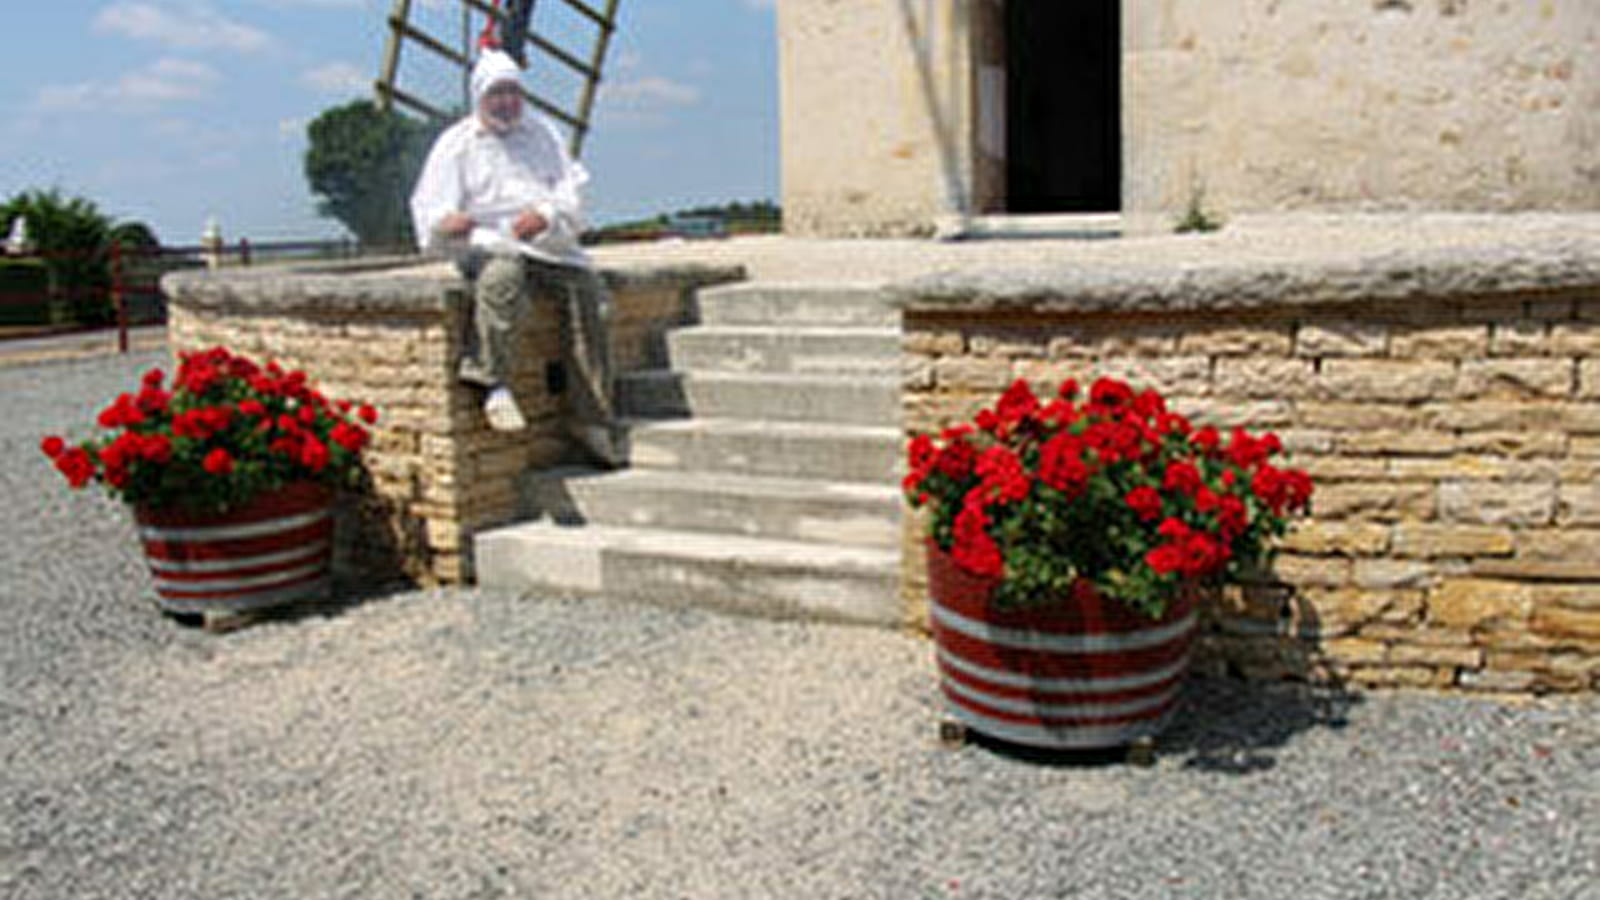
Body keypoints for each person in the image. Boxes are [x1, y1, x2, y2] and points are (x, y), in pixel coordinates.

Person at [409, 49, 625, 467]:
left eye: (513, 92)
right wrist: (449, 223)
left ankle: (593, 417)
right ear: (481, 97)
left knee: (592, 298)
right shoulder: (456, 145)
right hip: (486, 243)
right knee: (503, 278)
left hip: (546, 245)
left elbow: (572, 189)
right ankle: (494, 382)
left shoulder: (542, 133)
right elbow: (431, 207)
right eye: (498, 94)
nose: (507, 102)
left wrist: (544, 214)